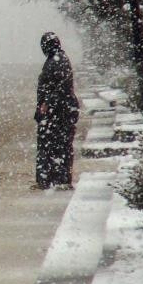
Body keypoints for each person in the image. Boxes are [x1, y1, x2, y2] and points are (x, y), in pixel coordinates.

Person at [33, 32, 79, 190]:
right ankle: (51, 179)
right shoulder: (55, 60)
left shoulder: (58, 61)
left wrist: (47, 103)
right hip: (57, 111)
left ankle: (57, 179)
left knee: (57, 145)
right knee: (53, 144)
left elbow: (60, 87)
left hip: (59, 112)